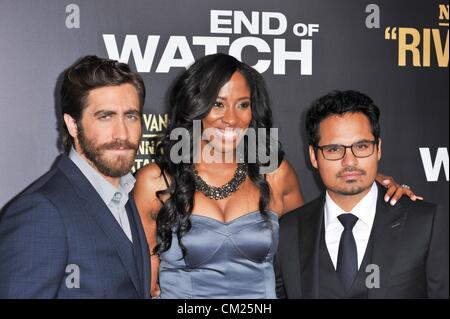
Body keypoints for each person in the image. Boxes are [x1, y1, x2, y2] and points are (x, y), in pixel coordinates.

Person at [133, 54, 418, 299]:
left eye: (243, 105)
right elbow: (143, 282)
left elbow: (317, 240)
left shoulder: (273, 174)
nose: (232, 118)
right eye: (218, 104)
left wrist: (370, 184)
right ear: (194, 106)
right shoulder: (156, 182)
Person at [0, 56, 151, 298]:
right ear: (72, 124)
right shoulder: (42, 211)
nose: (122, 133)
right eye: (106, 116)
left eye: (131, 116)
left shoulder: (125, 194)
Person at [275, 90, 449, 299]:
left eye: (362, 146)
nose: (350, 161)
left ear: (378, 149)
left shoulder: (426, 223)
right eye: (334, 149)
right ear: (313, 156)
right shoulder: (287, 232)